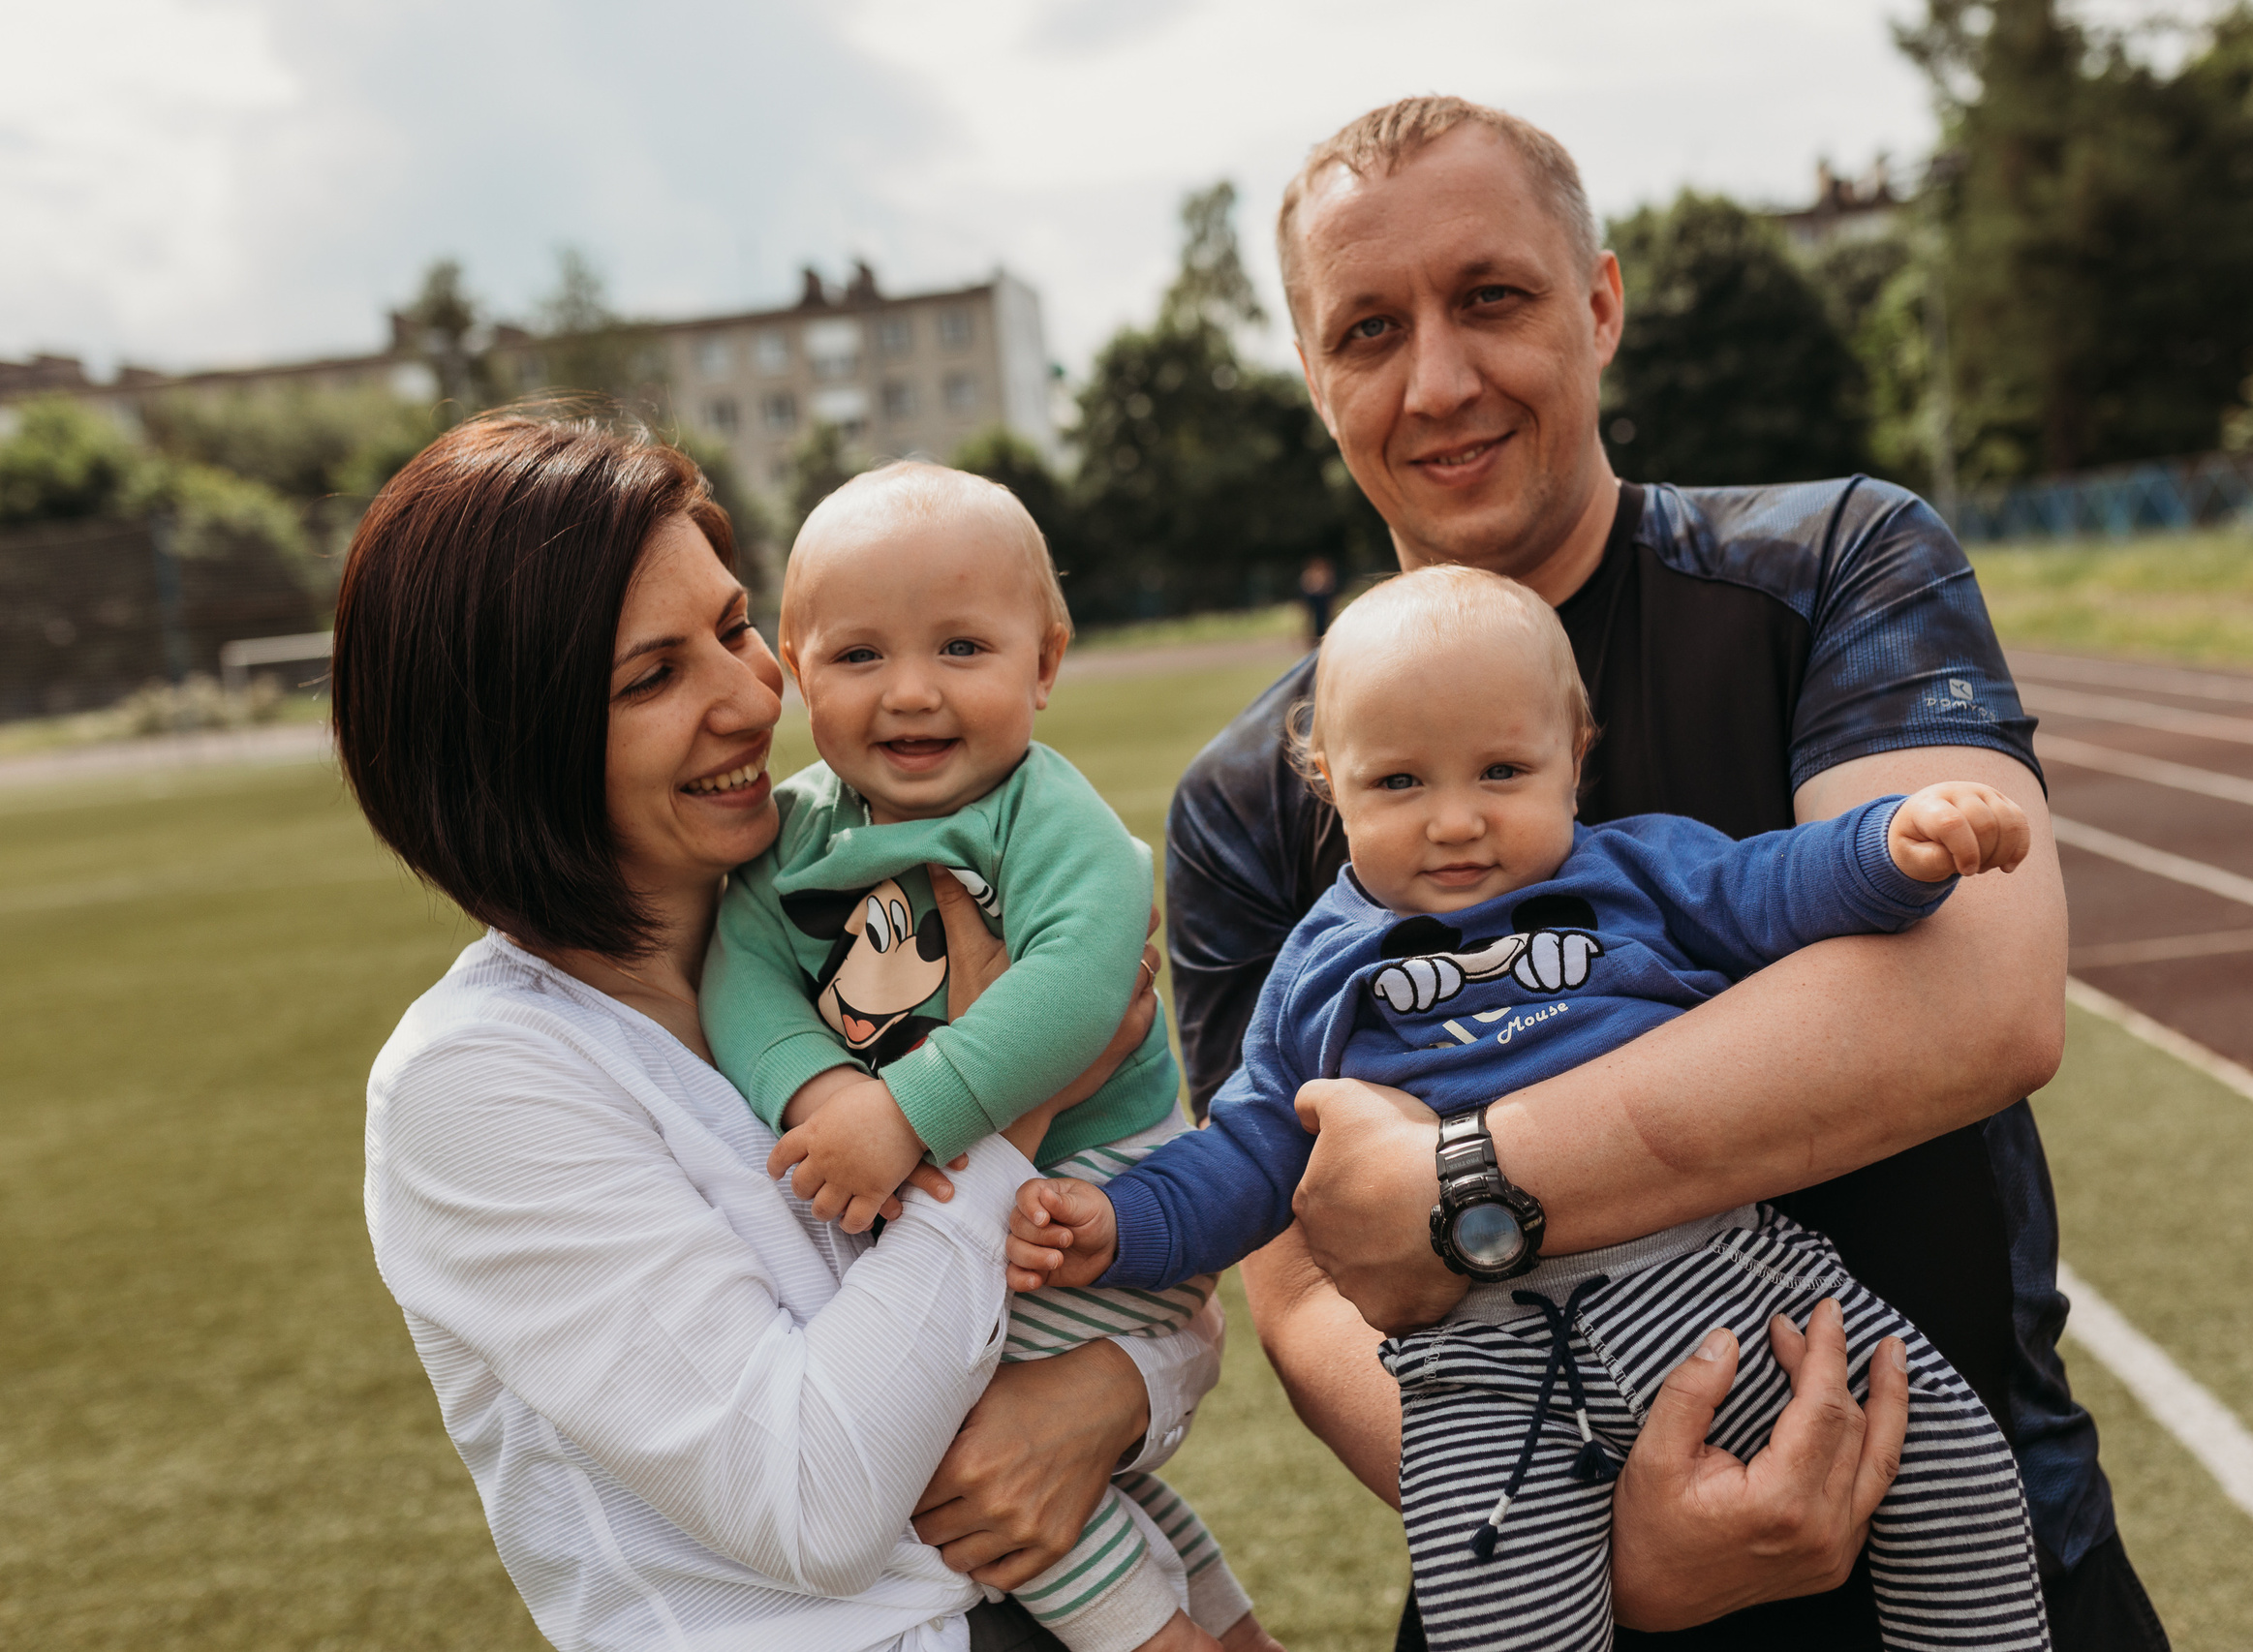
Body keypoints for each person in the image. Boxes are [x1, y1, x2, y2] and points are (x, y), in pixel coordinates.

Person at [1167, 99, 2169, 1647]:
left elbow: (1977, 1000)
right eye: (1368, 328)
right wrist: (1624, 1547)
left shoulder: (1838, 561)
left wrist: (1463, 1183)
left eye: (1490, 297)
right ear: (1315, 374)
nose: (1438, 379)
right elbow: (1304, 1285)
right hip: (1544, 1576)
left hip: (1966, 1552)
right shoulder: (1252, 794)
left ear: (1601, 305)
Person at [1012, 566, 2049, 1651]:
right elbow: (1252, 1147)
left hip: (1729, 1280)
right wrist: (1122, 1224)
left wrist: (1895, 844)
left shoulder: (1642, 871)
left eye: (1501, 770)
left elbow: (1777, 885)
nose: (1456, 821)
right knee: (1499, 1597)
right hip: (1486, 1366)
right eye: (1401, 782)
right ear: (1329, 779)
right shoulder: (1317, 971)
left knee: (1954, 1457)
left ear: (1575, 753)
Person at [339, 413, 1223, 1652]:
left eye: (735, 625)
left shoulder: (845, 921)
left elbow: (1135, 1311)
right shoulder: (475, 1083)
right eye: (653, 676)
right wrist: (1010, 1101)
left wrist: (1124, 1388)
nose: (756, 696)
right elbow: (812, 1500)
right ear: (510, 748)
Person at [702, 461, 1262, 1652]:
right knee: (1072, 1473)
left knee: (966, 1466)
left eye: (962, 648)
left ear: (1044, 661)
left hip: (1098, 1200)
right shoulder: (797, 833)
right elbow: (739, 973)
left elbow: (1082, 987)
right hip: (993, 1195)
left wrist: (905, 1111)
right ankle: (1223, 1623)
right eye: (859, 657)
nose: (912, 694)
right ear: (795, 669)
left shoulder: (1040, 814)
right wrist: (822, 1089)